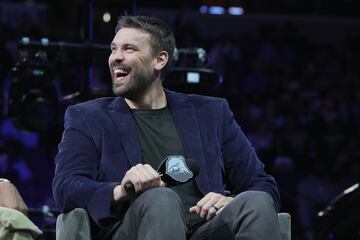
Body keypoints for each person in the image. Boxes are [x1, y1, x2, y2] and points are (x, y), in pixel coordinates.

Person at [52, 15, 281, 240]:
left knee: (256, 202)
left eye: (129, 49)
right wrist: (122, 190)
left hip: (204, 228)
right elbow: (66, 187)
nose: (115, 58)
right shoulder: (87, 117)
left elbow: (262, 183)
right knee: (161, 199)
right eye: (113, 49)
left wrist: (230, 201)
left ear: (160, 60)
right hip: (132, 228)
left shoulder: (211, 112)